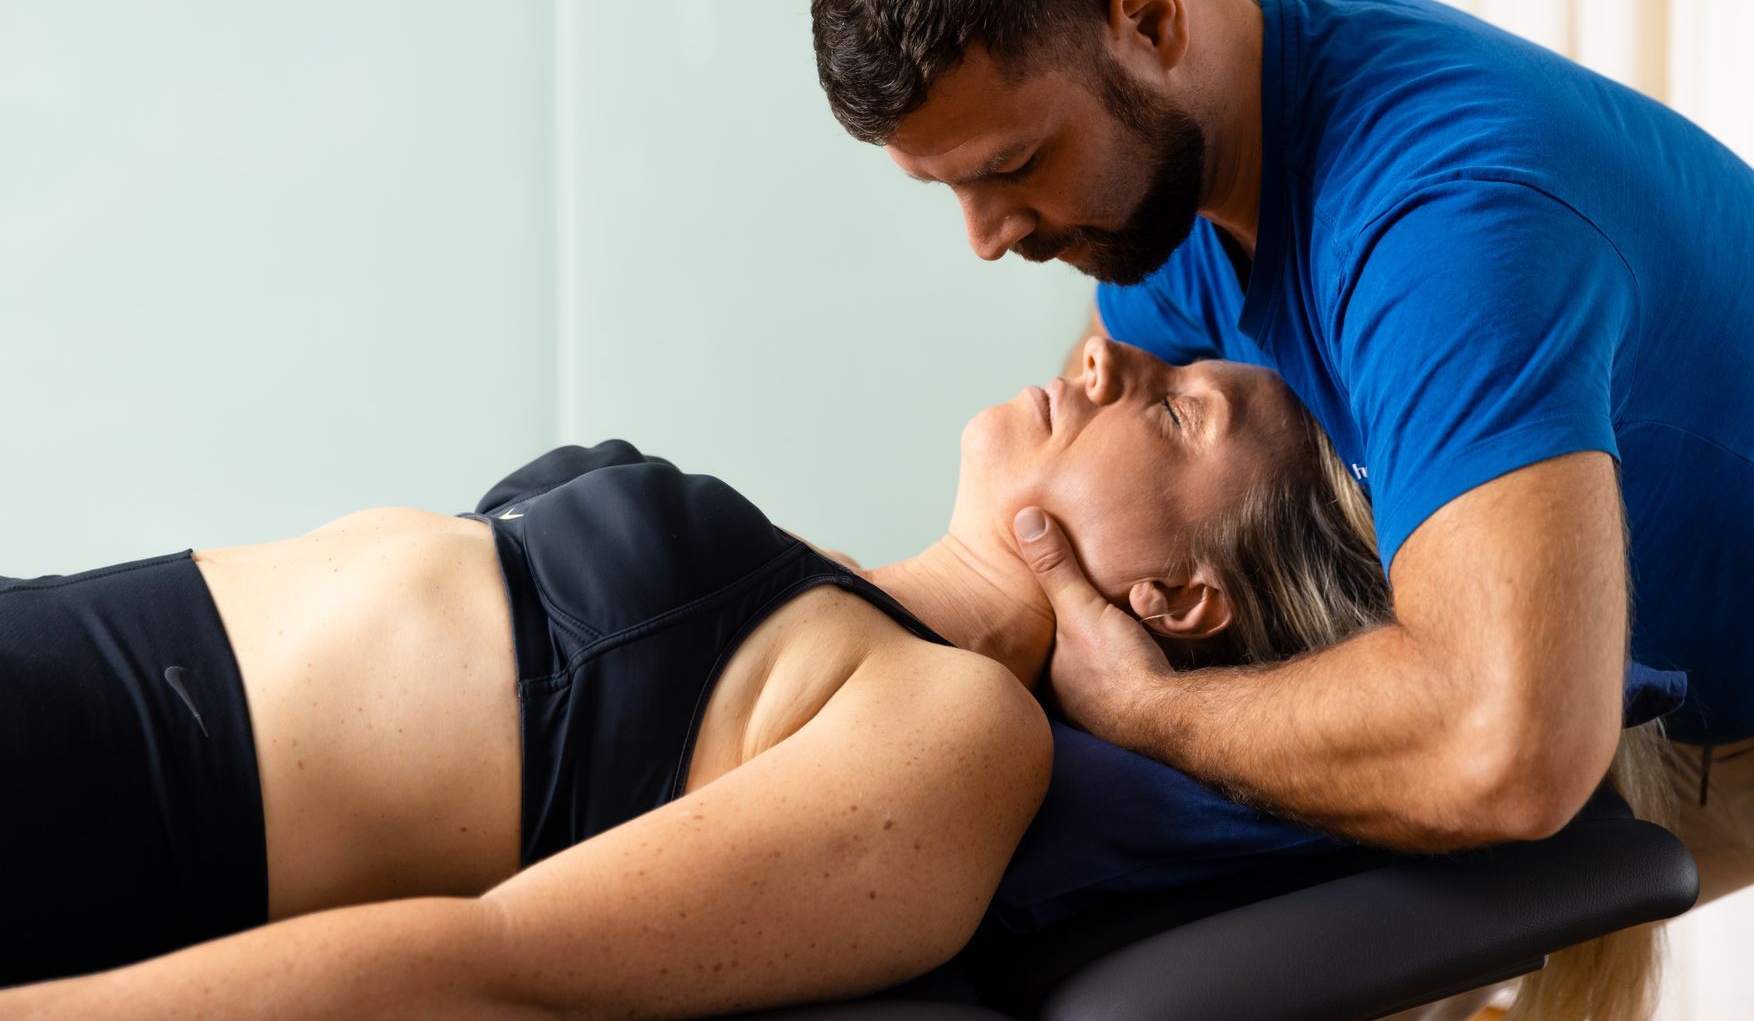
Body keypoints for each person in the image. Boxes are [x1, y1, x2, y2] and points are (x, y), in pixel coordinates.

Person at [811, 0, 1754, 1021]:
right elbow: (1073, 519)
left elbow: (1509, 746)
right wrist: (844, 623)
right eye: (950, 189)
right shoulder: (1168, 190)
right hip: (1631, 696)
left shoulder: (1443, 225)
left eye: (1014, 165)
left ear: (1149, 19)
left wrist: (1150, 709)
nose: (986, 236)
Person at [0, 340, 1393, 1018]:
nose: (1106, 354)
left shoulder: (957, 730)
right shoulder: (829, 578)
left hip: (106, 802)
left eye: (1177, 408)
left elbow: (500, 968)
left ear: (1179, 597)